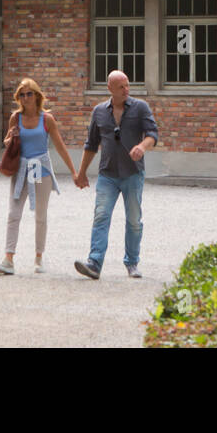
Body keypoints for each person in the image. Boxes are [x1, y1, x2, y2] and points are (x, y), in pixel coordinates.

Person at [73, 70, 159, 279]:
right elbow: (91, 144)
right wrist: (81, 173)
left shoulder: (140, 108)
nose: (126, 90)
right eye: (121, 86)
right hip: (108, 174)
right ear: (110, 88)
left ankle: (132, 263)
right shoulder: (99, 112)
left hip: (132, 173)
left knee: (133, 220)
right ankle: (94, 263)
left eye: (128, 85)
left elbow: (153, 134)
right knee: (101, 215)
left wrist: (142, 146)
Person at [0, 77, 78, 275]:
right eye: (21, 95)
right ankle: (8, 259)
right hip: (21, 167)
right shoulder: (16, 117)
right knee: (14, 214)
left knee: (40, 215)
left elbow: (60, 146)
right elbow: (6, 141)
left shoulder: (46, 119)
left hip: (40, 169)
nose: (25, 98)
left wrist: (74, 171)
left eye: (29, 94)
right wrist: (10, 137)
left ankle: (39, 257)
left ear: (37, 95)